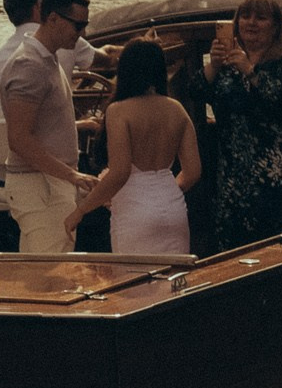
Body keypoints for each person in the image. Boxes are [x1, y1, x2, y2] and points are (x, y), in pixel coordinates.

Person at [204, 0, 282, 250]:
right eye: (245, 16)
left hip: (277, 182)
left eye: (260, 17)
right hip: (235, 179)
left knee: (279, 250)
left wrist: (250, 70)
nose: (251, 23)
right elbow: (196, 92)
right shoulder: (227, 65)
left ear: (276, 26)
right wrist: (213, 65)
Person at [67, 39, 200, 255]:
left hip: (134, 211)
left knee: (135, 284)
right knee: (175, 282)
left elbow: (120, 172)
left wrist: (81, 210)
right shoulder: (177, 109)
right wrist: (163, 193)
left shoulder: (119, 111)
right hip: (173, 206)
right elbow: (193, 172)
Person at [0, 0, 100, 253]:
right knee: (54, 275)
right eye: (78, 25)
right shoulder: (30, 65)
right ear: (52, 18)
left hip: (46, 185)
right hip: (41, 188)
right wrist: (72, 175)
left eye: (85, 25)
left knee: (41, 273)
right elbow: (18, 138)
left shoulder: (45, 60)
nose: (82, 33)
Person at [0, 0, 99, 116]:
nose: (82, 33)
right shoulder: (64, 41)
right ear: (40, 5)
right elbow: (26, 131)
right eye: (79, 26)